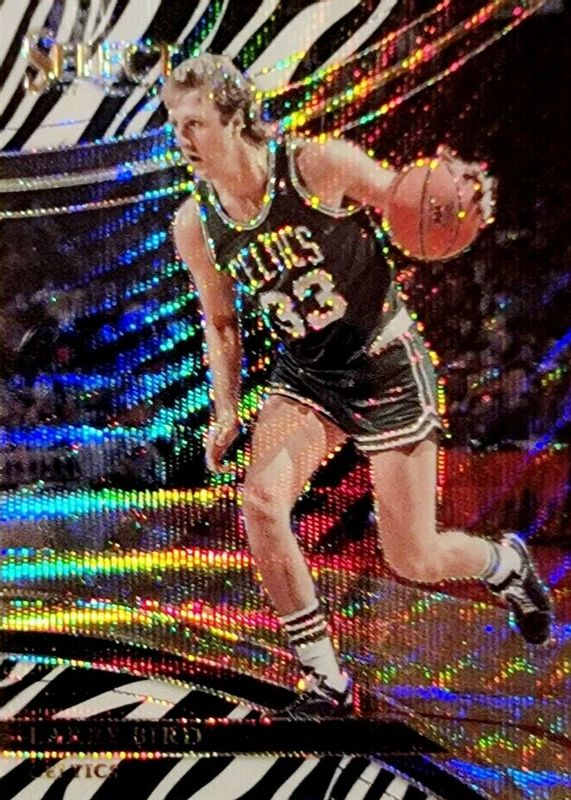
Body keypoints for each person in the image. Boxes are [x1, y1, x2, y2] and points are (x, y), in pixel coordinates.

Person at [164, 54, 553, 717]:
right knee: (261, 501)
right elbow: (222, 324)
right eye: (175, 123)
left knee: (415, 558)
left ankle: (503, 564)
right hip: (309, 375)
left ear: (234, 119)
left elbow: (407, 196)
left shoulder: (316, 166)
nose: (182, 137)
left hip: (383, 364)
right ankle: (326, 680)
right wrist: (224, 410)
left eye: (194, 121)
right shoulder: (194, 224)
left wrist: (455, 192)